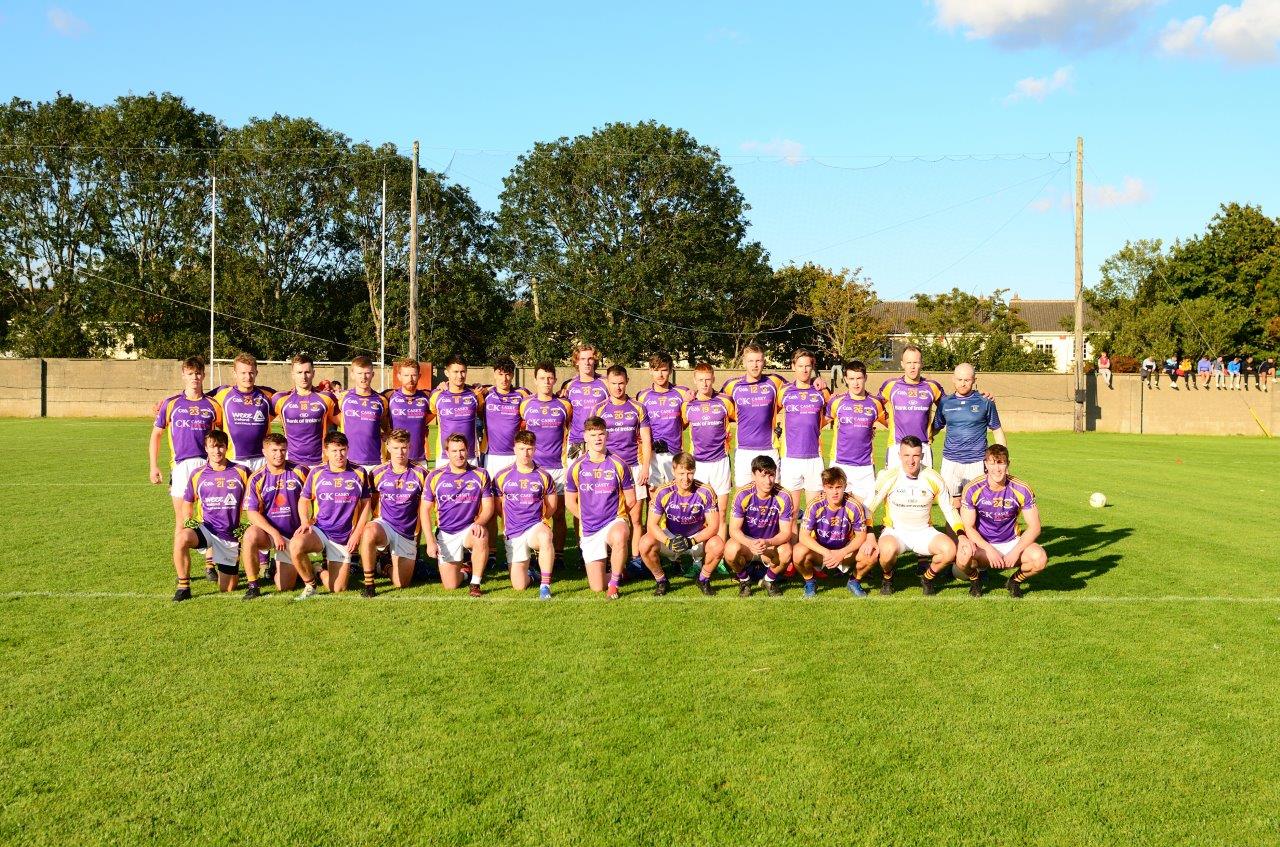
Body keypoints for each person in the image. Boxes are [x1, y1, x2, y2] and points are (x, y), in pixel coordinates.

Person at [150, 355, 223, 583]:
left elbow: (221, 437)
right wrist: (154, 466)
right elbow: (156, 435)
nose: (194, 378)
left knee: (210, 516)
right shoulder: (171, 404)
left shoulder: (213, 406)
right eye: (190, 374)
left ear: (203, 375)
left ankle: (210, 564)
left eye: (198, 373)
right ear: (183, 375)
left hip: (206, 466)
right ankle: (183, 575)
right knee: (182, 520)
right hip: (181, 468)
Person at [862, 436, 964, 596]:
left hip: (924, 532)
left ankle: (927, 578)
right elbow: (868, 508)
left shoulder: (933, 478)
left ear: (922, 456)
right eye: (907, 455)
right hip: (895, 532)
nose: (911, 461)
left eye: (915, 456)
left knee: (949, 550)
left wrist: (962, 535)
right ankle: (888, 578)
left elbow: (949, 510)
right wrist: (869, 535)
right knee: (887, 552)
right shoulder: (888, 476)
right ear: (899, 456)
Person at [956, 444, 1047, 598]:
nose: (997, 469)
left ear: (1008, 464)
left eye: (1001, 463)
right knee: (962, 558)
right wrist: (989, 549)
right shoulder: (972, 488)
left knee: (1040, 559)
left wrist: (1016, 551)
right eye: (992, 463)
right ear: (985, 464)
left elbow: (1035, 527)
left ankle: (1015, 581)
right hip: (983, 545)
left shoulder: (1022, 488)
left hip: (1011, 542)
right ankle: (976, 580)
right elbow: (969, 527)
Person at [289, 431, 371, 598]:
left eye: (342, 450)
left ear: (348, 449)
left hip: (344, 535)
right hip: (321, 530)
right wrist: (305, 521)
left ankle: (318, 570)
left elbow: (366, 506)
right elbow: (304, 500)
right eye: (334, 450)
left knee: (338, 589)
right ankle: (310, 586)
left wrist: (356, 534)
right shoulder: (316, 472)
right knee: (296, 545)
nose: (339, 455)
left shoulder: (359, 472)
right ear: (325, 451)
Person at [565, 416, 637, 599]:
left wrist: (619, 518)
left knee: (620, 535)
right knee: (597, 587)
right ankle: (621, 572)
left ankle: (614, 584)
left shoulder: (619, 464)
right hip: (589, 527)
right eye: (593, 434)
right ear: (585, 437)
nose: (598, 438)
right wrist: (587, 516)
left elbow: (631, 500)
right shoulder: (577, 466)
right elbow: (569, 501)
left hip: (614, 520)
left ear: (607, 436)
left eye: (601, 434)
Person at [171, 430, 249, 601]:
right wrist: (188, 519)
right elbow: (188, 501)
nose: (217, 451)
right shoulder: (197, 473)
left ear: (226, 447)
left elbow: (254, 499)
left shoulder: (242, 471)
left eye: (220, 446)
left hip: (229, 535)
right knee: (181, 538)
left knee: (227, 588)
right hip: (206, 529)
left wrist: (248, 526)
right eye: (212, 447)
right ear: (206, 448)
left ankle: (231, 562)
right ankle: (183, 586)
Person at [592, 365, 652, 573]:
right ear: (607, 383)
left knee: (635, 518)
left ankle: (635, 559)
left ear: (627, 382)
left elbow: (646, 439)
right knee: (608, 518)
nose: (617, 388)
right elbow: (593, 441)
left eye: (621, 383)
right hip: (608, 471)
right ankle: (609, 559)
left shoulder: (638, 407)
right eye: (613, 383)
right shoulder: (599, 409)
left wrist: (645, 467)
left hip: (634, 469)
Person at [641, 452, 725, 597]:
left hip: (696, 538)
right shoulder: (663, 492)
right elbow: (651, 525)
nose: (685, 478)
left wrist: (691, 541)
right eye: (681, 473)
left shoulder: (705, 491)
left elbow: (714, 526)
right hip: (671, 538)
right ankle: (661, 581)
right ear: (673, 471)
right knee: (645, 543)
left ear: (694, 471)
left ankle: (703, 579)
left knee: (718, 545)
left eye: (689, 473)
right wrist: (668, 541)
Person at [358, 429, 430, 597]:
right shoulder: (376, 473)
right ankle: (369, 584)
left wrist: (418, 539)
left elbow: (423, 509)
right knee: (369, 531)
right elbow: (373, 503)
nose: (400, 452)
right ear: (388, 447)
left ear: (410, 447)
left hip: (407, 531)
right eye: (396, 447)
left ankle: (383, 565)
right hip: (385, 525)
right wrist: (374, 523)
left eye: (404, 447)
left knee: (401, 583)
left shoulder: (421, 473)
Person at [424, 433, 494, 596]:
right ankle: (466, 571)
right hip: (446, 532)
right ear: (446, 453)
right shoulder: (434, 476)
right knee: (451, 585)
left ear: (468, 450)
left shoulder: (481, 474)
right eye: (454, 451)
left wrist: (479, 522)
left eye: (462, 450)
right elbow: (424, 510)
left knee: (481, 535)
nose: (459, 455)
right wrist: (429, 541)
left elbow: (488, 507)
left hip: (470, 528)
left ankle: (475, 584)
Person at [241, 432, 309, 599]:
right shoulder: (257, 478)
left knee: (285, 587)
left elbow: (315, 500)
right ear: (264, 451)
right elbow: (251, 512)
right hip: (271, 535)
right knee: (250, 535)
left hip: (295, 536)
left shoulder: (300, 471)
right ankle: (253, 585)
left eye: (282, 450)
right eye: (274, 450)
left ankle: (306, 566)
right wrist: (274, 533)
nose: (279, 454)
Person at [518, 361, 572, 567]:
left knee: (558, 513)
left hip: (558, 467)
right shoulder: (526, 404)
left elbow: (571, 430)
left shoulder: (564, 406)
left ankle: (558, 555)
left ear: (555, 380)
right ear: (535, 380)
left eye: (550, 378)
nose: (546, 382)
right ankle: (531, 555)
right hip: (534, 469)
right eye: (542, 378)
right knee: (532, 512)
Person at [491, 430, 557, 599]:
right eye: (521, 449)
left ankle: (545, 585)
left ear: (534, 449)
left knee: (545, 536)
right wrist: (509, 521)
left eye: (529, 449)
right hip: (513, 531)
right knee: (519, 586)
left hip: (534, 526)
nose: (525, 453)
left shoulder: (544, 475)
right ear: (514, 449)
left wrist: (542, 521)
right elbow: (498, 506)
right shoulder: (502, 476)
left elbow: (552, 506)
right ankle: (532, 574)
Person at [933, 363, 1005, 513]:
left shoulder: (985, 401)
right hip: (950, 461)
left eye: (967, 380)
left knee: (977, 505)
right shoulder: (945, 402)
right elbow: (934, 428)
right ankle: (955, 537)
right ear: (953, 379)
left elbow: (996, 430)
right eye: (959, 379)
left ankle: (974, 536)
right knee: (952, 506)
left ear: (974, 380)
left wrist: (1002, 459)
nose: (963, 383)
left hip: (977, 461)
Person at [796, 467, 876, 598]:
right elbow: (803, 537)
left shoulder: (854, 506)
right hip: (821, 552)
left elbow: (861, 537)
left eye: (838, 487)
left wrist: (841, 553)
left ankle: (854, 581)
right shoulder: (815, 505)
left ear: (845, 486)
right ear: (824, 487)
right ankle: (810, 582)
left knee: (872, 553)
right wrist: (827, 552)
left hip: (845, 552)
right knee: (798, 552)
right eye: (830, 487)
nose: (835, 492)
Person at [724, 455, 795, 597]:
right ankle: (744, 580)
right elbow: (733, 530)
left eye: (771, 475)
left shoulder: (784, 496)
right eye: (763, 476)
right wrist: (750, 543)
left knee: (786, 551)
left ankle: (769, 580)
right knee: (730, 550)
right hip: (747, 545)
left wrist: (768, 542)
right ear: (753, 475)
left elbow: (786, 533)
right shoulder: (742, 494)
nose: (768, 481)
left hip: (769, 545)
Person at [680, 363, 735, 538]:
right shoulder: (688, 405)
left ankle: (719, 556)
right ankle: (698, 556)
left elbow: (742, 420)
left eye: (708, 380)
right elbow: (679, 427)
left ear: (713, 379)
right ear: (694, 381)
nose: (704, 384)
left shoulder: (725, 401)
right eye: (701, 380)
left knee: (722, 509)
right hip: (698, 464)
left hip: (721, 461)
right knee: (698, 510)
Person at [721, 343, 786, 488]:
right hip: (743, 450)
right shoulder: (732, 386)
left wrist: (817, 381)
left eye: (758, 360)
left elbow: (799, 387)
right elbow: (716, 402)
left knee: (773, 494)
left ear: (764, 362)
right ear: (744, 362)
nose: (755, 365)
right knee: (743, 497)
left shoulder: (775, 382)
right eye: (751, 361)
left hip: (769, 448)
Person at [826, 360, 885, 505]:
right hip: (840, 463)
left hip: (864, 466)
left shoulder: (875, 403)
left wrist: (872, 429)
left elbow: (891, 422)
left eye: (859, 378)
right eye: (851, 379)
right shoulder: (836, 402)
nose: (856, 383)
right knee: (837, 510)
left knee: (864, 512)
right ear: (846, 379)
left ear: (865, 377)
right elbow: (819, 423)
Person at [779, 349, 830, 514]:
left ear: (813, 367)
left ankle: (809, 540)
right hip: (790, 459)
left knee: (814, 512)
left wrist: (816, 426)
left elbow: (834, 412)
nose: (804, 370)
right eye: (800, 365)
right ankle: (792, 541)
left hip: (814, 458)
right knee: (791, 513)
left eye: (808, 366)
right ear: (793, 366)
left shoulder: (821, 391)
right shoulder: (784, 391)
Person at [877, 345, 945, 469]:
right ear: (902, 364)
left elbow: (947, 408)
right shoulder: (891, 386)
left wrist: (935, 428)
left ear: (922, 363)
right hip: (896, 446)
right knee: (894, 487)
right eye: (909, 362)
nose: (912, 366)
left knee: (924, 487)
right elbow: (874, 406)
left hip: (923, 446)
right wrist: (887, 422)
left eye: (916, 362)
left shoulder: (932, 387)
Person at [210, 352, 275, 471]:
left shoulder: (267, 394)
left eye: (251, 372)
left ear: (256, 373)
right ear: (235, 373)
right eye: (243, 373)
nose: (248, 377)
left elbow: (291, 399)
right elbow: (198, 400)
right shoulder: (222, 394)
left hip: (262, 458)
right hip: (233, 459)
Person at [637, 352, 690, 492]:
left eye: (664, 370)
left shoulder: (682, 393)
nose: (660, 374)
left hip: (674, 454)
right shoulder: (642, 396)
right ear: (650, 371)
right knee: (653, 498)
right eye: (656, 370)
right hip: (651, 455)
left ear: (671, 370)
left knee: (674, 497)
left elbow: (688, 419)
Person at [272, 354, 337, 469]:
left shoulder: (327, 398)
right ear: (292, 374)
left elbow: (347, 423)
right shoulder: (280, 399)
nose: (304, 377)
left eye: (307, 372)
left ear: (313, 373)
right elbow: (260, 423)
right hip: (290, 462)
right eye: (299, 372)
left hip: (321, 462)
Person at [335, 355, 390, 472]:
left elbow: (387, 428)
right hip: (348, 461)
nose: (363, 377)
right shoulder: (342, 398)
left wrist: (387, 435)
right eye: (359, 373)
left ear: (373, 375)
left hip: (375, 461)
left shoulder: (381, 400)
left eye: (367, 373)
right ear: (352, 374)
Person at [429, 354, 484, 463]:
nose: (460, 376)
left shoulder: (475, 394)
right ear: (446, 373)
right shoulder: (437, 395)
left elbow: (483, 413)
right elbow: (430, 414)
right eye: (455, 372)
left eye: (463, 371)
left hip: (470, 456)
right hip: (445, 456)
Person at [480, 356, 529, 477]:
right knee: (493, 493)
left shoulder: (522, 395)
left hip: (516, 454)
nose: (504, 379)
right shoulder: (486, 394)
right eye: (500, 374)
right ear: (494, 374)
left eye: (507, 374)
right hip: (491, 455)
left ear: (512, 375)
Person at [560, 344, 609, 461]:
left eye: (590, 358)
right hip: (576, 440)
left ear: (595, 360)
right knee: (574, 477)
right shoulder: (568, 385)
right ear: (576, 361)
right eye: (582, 359)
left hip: (598, 440)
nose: (587, 362)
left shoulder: (606, 383)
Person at [384, 358, 433, 465]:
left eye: (414, 375)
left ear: (419, 376)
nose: (410, 379)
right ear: (399, 376)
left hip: (419, 459)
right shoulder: (389, 396)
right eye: (406, 375)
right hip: (396, 458)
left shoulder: (427, 396)